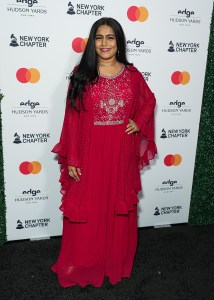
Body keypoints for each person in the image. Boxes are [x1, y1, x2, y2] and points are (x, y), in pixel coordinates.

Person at [51, 17, 157, 288]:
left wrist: (139, 121)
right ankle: (86, 262)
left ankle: (113, 261)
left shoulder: (132, 75)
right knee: (89, 205)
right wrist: (73, 156)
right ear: (92, 42)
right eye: (99, 37)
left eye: (110, 37)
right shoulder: (82, 73)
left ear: (118, 42)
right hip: (90, 151)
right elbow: (72, 117)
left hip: (120, 151)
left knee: (115, 206)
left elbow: (150, 99)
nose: (104, 43)